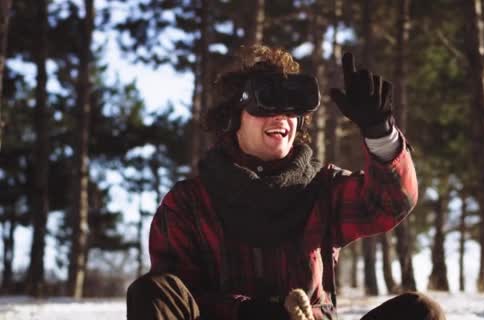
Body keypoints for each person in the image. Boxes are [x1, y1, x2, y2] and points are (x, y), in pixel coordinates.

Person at [126, 45, 446, 320]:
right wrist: (252, 313)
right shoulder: (188, 203)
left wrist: (380, 133)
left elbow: (391, 203)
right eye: (266, 104)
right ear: (233, 115)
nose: (282, 117)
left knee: (419, 312)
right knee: (151, 291)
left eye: (292, 108)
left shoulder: (322, 189)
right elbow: (177, 296)